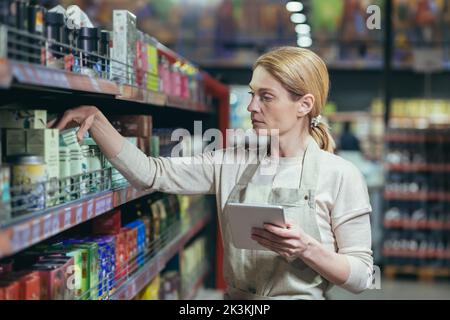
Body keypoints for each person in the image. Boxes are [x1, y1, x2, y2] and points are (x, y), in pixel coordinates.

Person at [50, 47, 373, 300]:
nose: (251, 107)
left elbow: (361, 275)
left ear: (304, 105)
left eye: (266, 97)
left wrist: (307, 249)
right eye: (252, 93)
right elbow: (151, 174)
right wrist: (98, 121)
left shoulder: (340, 175)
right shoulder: (230, 162)